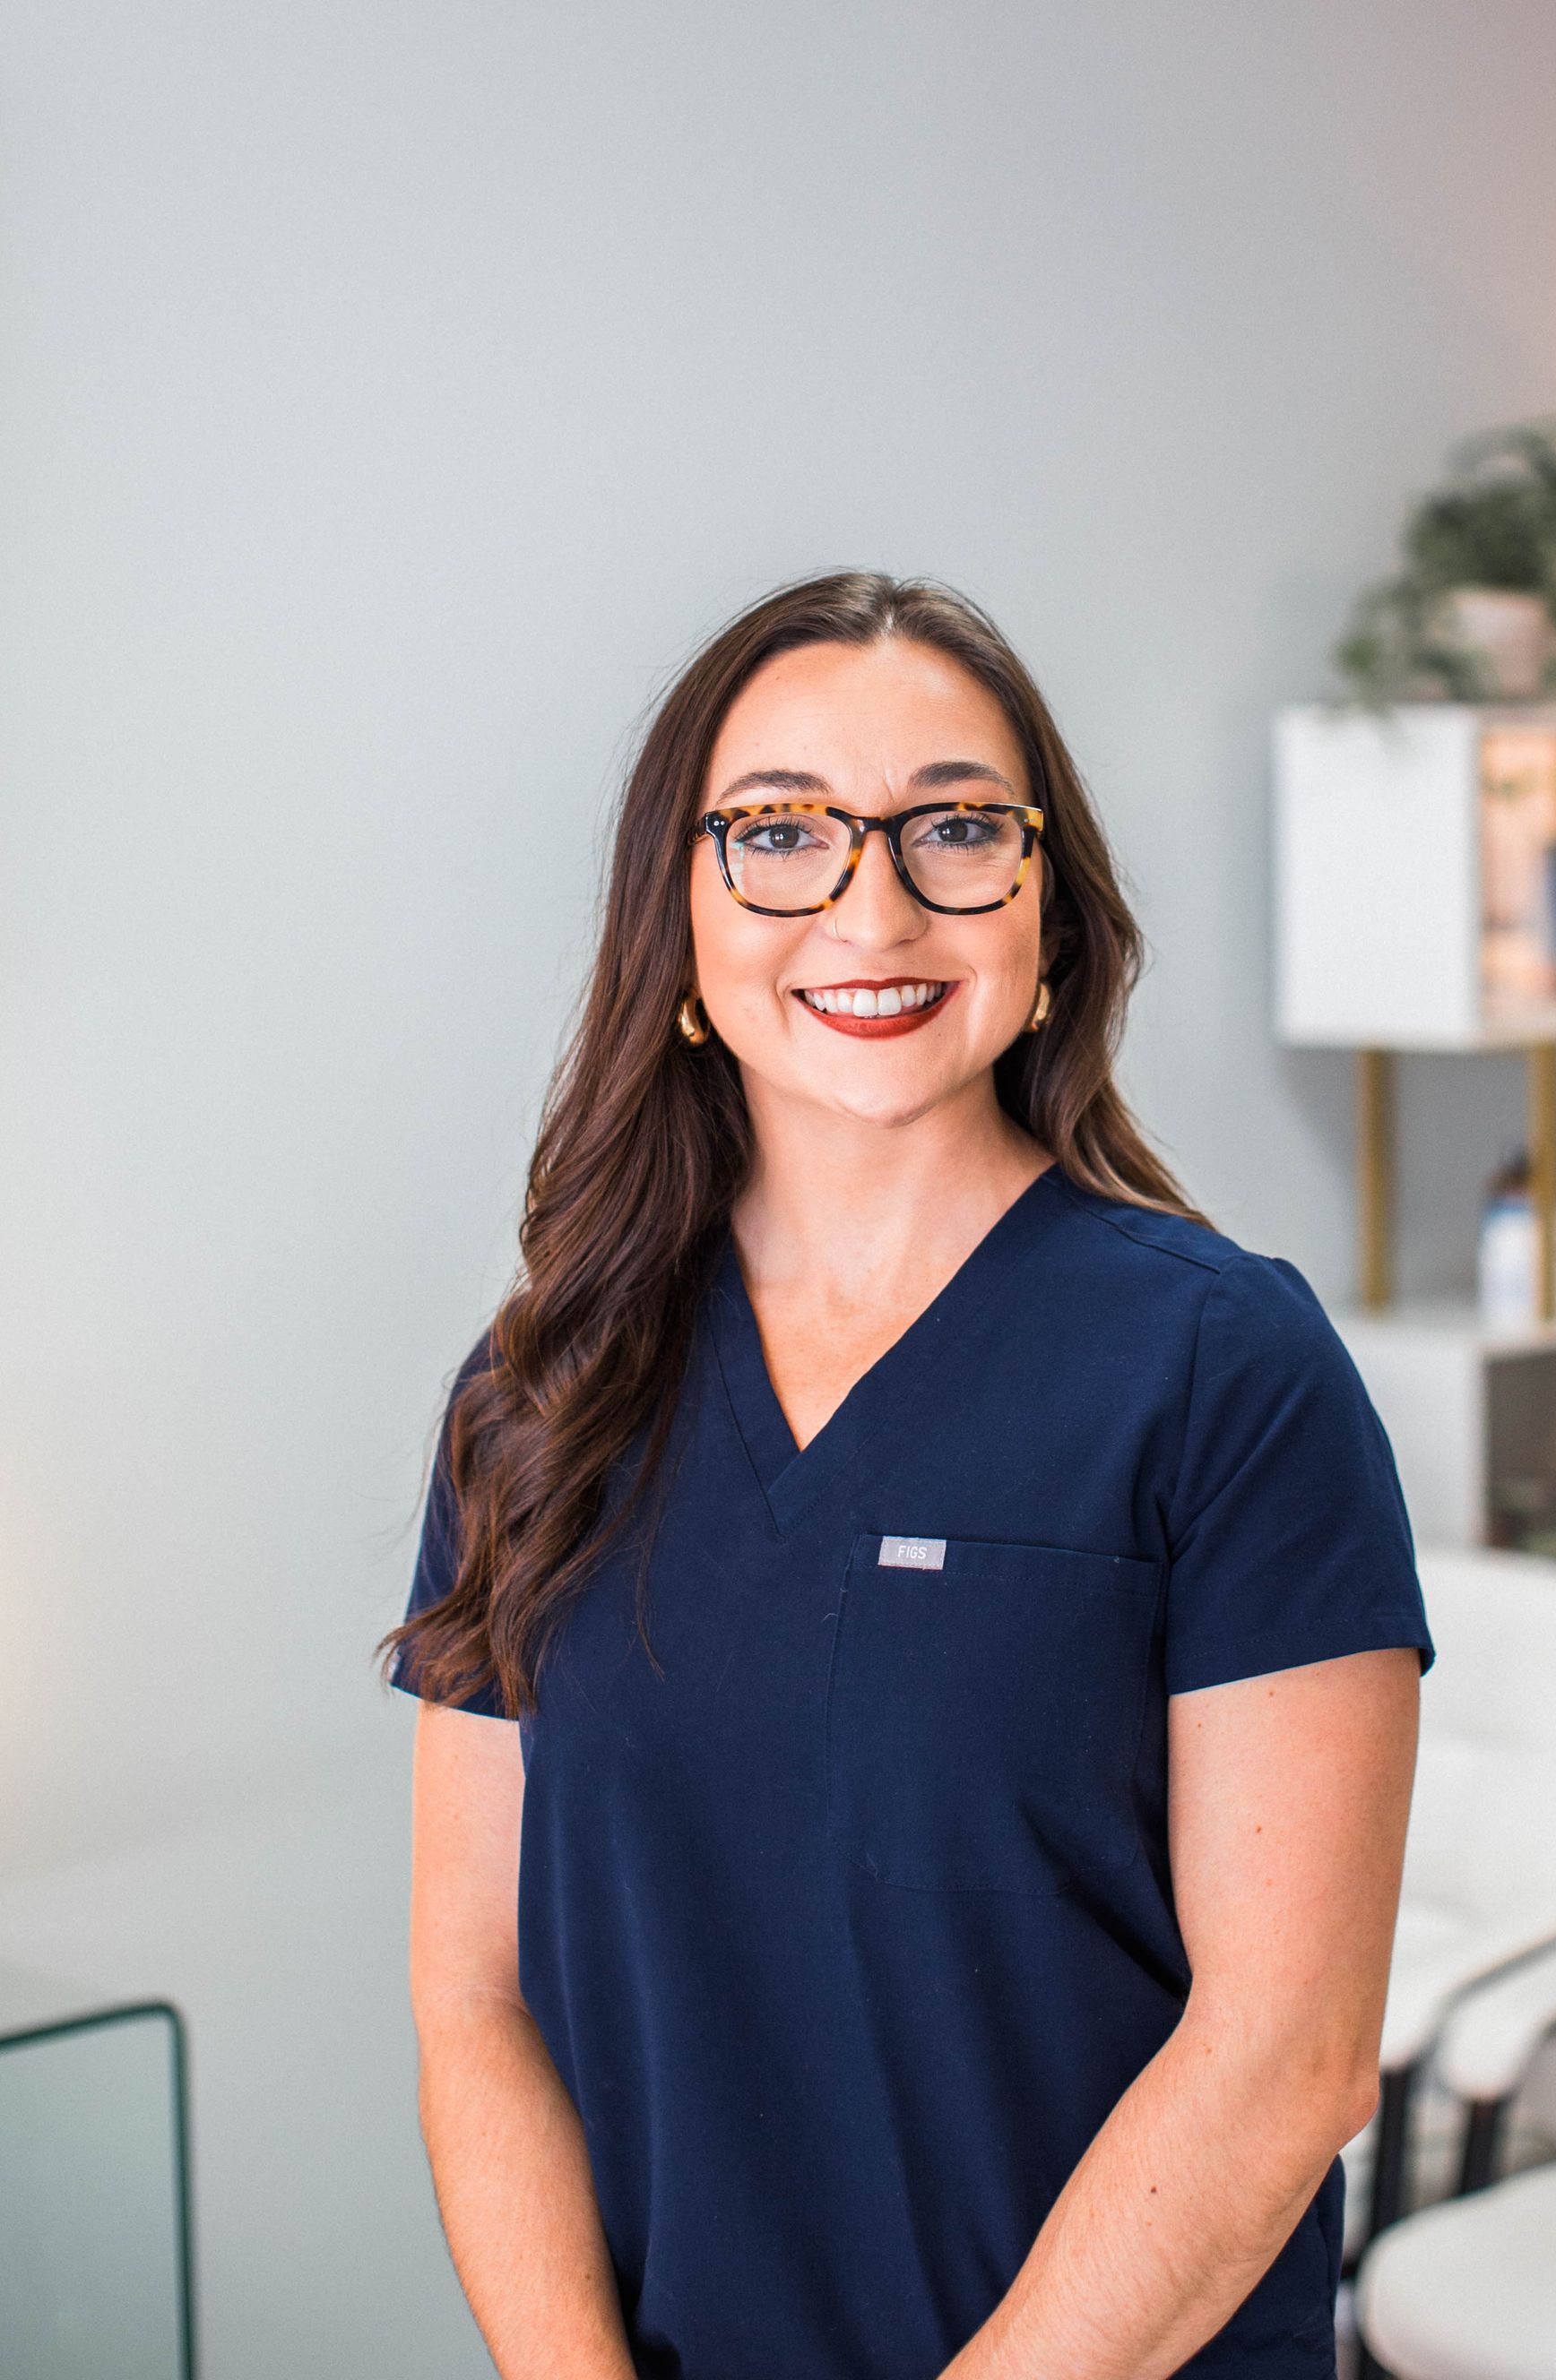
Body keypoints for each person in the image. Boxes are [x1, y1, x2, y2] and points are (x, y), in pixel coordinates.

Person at [385, 570, 1433, 2380]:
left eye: (954, 825)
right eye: (780, 831)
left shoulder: (1225, 1370)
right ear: (681, 911)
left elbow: (1290, 2051)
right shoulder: (539, 1394)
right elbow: (476, 1999)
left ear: (1043, 905)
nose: (873, 904)